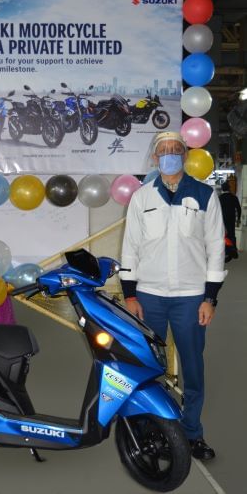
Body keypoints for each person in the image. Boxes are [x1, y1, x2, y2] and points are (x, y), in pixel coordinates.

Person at [120, 131, 225, 461]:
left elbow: (215, 249)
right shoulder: (142, 197)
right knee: (148, 366)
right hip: (148, 296)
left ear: (185, 156)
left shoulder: (204, 195)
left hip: (191, 298)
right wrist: (130, 295)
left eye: (175, 150)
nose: (169, 155)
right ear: (155, 158)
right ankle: (151, 430)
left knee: (192, 368)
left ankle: (192, 433)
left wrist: (210, 298)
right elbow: (130, 247)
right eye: (163, 150)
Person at [219, 180, 241, 259]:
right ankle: (234, 251)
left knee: (224, 235)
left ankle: (226, 251)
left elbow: (217, 210)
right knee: (232, 234)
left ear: (222, 189)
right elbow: (238, 209)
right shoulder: (234, 197)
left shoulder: (220, 198)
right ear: (229, 188)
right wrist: (238, 219)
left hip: (222, 220)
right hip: (232, 219)